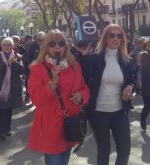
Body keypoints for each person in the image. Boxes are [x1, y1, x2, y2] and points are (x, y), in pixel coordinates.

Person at [28, 29, 90, 165]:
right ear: (46, 47)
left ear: (66, 47)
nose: (57, 46)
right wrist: (52, 83)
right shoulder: (38, 68)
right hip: (50, 127)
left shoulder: (75, 66)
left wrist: (81, 95)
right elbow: (36, 99)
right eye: (52, 43)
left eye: (61, 43)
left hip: (70, 124)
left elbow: (85, 89)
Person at [77, 24, 134, 165]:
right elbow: (84, 79)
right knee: (104, 152)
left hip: (120, 112)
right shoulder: (95, 58)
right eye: (112, 35)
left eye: (119, 36)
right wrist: (84, 58)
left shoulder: (126, 60)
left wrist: (130, 86)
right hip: (99, 113)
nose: (115, 39)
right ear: (105, 38)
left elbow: (132, 79)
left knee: (124, 150)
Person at [0, 37, 24, 141]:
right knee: (0, 111)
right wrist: (5, 63)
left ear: (12, 46)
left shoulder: (17, 56)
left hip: (12, 88)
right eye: (4, 45)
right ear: (1, 46)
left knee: (9, 110)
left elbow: (21, 70)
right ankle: (1, 132)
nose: (6, 47)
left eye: (8, 45)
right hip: (0, 88)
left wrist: (13, 63)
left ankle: (7, 129)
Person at [24, 31, 46, 102]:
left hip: (45, 68)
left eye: (43, 40)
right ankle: (30, 95)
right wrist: (31, 66)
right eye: (39, 40)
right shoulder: (31, 46)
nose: (41, 41)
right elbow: (28, 57)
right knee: (33, 83)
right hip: (34, 69)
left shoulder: (48, 45)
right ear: (36, 39)